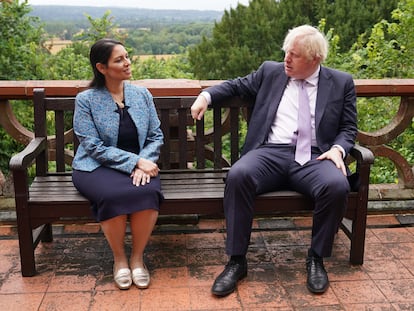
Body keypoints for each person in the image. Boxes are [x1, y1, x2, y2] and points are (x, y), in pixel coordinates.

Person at [191, 25, 357, 296]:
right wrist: (205, 96)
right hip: (270, 152)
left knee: (337, 185)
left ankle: (316, 258)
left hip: (316, 156)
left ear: (315, 59)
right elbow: (236, 85)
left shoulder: (340, 82)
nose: (286, 60)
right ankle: (236, 261)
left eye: (294, 55)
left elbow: (348, 127)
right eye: (286, 53)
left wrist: (339, 149)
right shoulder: (271, 72)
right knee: (238, 175)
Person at [72, 38, 164, 290]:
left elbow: (156, 135)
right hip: (95, 166)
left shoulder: (142, 94)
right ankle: (119, 259)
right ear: (102, 68)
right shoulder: (86, 100)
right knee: (112, 194)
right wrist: (135, 162)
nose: (127, 62)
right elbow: (92, 146)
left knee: (148, 191)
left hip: (143, 164)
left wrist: (144, 161)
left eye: (127, 56)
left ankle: (137, 258)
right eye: (119, 59)